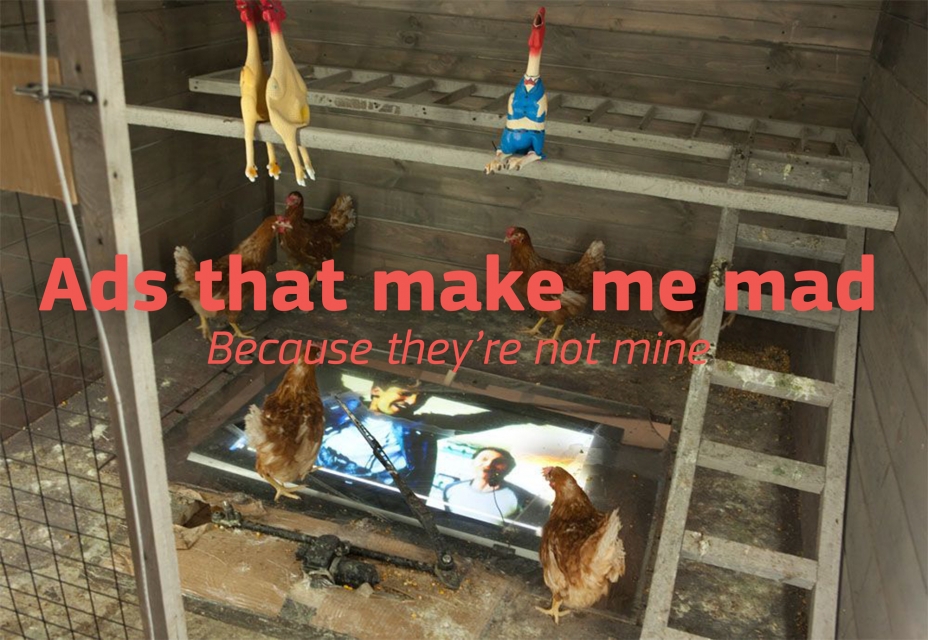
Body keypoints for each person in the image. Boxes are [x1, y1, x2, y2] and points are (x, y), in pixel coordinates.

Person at [317, 374, 437, 495]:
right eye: (405, 393)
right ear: (376, 390)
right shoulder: (337, 410)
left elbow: (417, 490)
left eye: (422, 398)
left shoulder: (420, 437)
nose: (412, 402)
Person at [441, 447, 533, 525]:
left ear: (508, 470)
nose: (488, 464)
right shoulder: (451, 488)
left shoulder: (522, 497)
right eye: (484, 459)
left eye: (498, 462)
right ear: (473, 462)